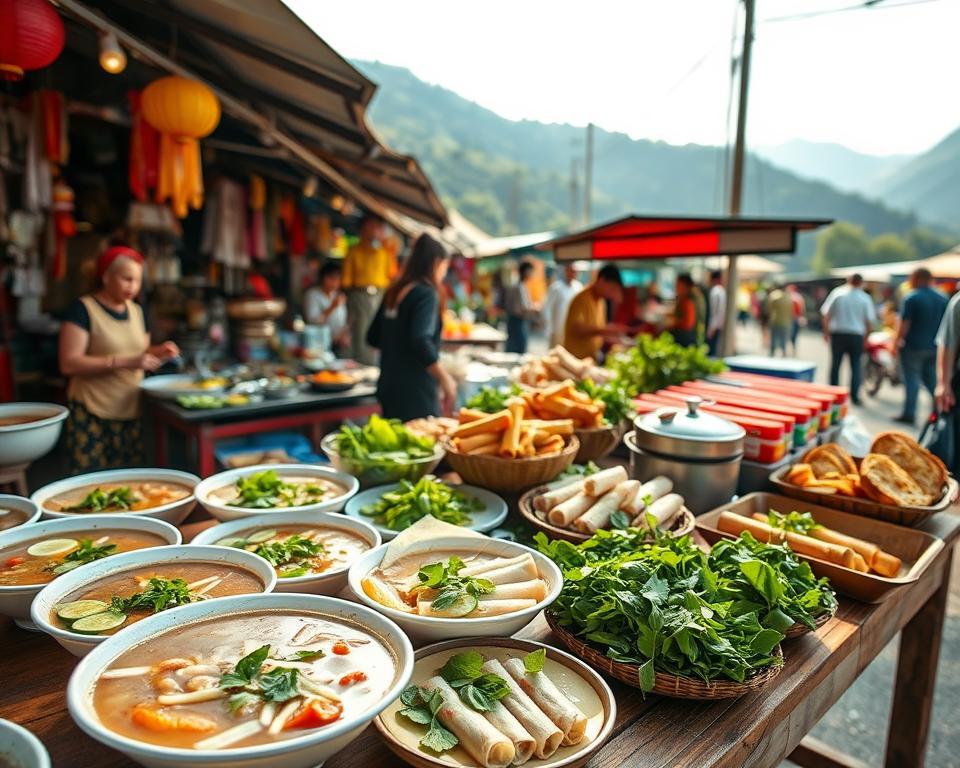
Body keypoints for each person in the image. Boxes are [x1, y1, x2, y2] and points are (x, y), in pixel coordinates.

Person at [58, 245, 179, 472]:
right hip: (91, 411)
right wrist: (127, 362)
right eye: (126, 279)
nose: (133, 287)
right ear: (105, 277)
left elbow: (140, 352)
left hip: (129, 409)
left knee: (126, 483)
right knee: (90, 483)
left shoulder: (137, 311)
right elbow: (69, 363)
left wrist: (159, 351)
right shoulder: (83, 309)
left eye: (137, 280)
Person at [366, 234, 457, 421]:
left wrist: (396, 343)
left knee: (393, 445)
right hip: (416, 391)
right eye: (445, 267)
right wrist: (445, 377)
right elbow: (420, 339)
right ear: (437, 263)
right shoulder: (427, 293)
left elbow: (372, 337)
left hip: (388, 385)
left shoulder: (394, 290)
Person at [894, 268, 947, 425]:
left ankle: (909, 413)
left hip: (913, 346)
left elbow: (905, 323)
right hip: (935, 347)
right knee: (933, 381)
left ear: (916, 278)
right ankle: (939, 411)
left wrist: (896, 342)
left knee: (912, 380)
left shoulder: (912, 297)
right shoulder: (942, 298)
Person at [342, 215, 396, 365]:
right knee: (361, 330)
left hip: (380, 294)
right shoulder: (353, 251)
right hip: (359, 294)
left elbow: (391, 275)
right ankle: (362, 363)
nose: (373, 231)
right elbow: (346, 281)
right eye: (369, 227)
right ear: (362, 230)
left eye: (376, 228)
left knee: (379, 329)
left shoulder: (385, 252)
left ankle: (375, 363)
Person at [821, 273, 878, 405]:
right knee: (856, 366)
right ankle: (854, 395)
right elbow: (870, 322)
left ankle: (833, 393)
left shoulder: (838, 293)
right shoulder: (865, 298)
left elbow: (826, 314)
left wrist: (826, 332)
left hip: (838, 334)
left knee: (836, 364)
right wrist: (866, 339)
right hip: (856, 335)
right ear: (861, 283)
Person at [563, 265, 625, 359]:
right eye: (611, 289)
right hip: (575, 360)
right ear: (601, 280)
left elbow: (598, 332)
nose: (611, 293)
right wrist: (605, 330)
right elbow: (576, 328)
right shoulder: (581, 299)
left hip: (591, 359)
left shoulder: (601, 302)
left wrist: (618, 339)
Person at [304, 261, 349, 356]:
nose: (334, 282)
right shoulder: (313, 294)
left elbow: (343, 320)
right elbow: (313, 321)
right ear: (323, 278)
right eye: (331, 278)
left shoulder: (337, 296)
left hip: (338, 343)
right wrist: (332, 307)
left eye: (337, 279)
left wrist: (344, 334)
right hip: (318, 344)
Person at [504, 260, 540, 354]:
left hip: (515, 322)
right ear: (526, 271)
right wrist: (535, 307)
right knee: (518, 350)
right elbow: (522, 308)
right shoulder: (519, 287)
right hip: (518, 322)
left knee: (513, 348)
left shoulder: (518, 285)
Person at [543, 264, 582, 348]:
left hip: (572, 329)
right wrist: (549, 328)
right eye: (571, 271)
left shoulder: (578, 287)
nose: (573, 274)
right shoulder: (556, 287)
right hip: (557, 328)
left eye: (575, 272)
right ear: (566, 271)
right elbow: (547, 308)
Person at [669, 273, 700, 347]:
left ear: (685, 286)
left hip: (685, 340)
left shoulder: (688, 301)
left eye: (678, 284)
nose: (676, 287)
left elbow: (688, 323)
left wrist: (674, 323)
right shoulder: (683, 299)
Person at [766, 284, 794, 357]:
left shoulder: (774, 296)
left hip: (775, 321)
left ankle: (772, 355)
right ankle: (784, 354)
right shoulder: (789, 297)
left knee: (773, 339)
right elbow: (792, 311)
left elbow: (769, 309)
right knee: (784, 340)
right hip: (786, 322)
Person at [705, 270, 726, 357]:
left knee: (711, 351)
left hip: (713, 326)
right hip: (718, 325)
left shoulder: (716, 291)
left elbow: (714, 311)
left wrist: (711, 328)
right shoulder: (721, 290)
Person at [788, 284, 806, 356]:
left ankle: (791, 349)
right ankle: (793, 349)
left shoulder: (792, 297)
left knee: (791, 335)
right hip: (796, 318)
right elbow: (802, 309)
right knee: (794, 335)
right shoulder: (799, 297)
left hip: (792, 319)